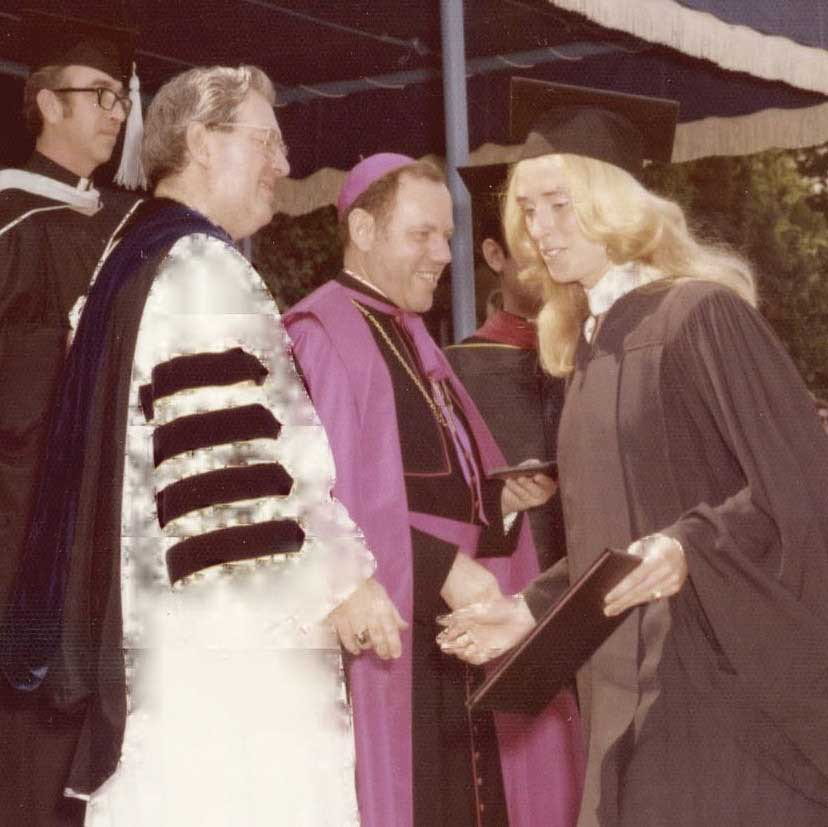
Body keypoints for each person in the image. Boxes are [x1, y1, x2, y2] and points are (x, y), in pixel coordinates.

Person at [439, 79, 828, 825]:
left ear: (613, 204)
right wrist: (528, 608)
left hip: (714, 685)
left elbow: (800, 478)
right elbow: (611, 532)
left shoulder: (698, 315)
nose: (541, 229)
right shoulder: (586, 347)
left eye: (560, 204)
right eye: (527, 209)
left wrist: (689, 546)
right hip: (622, 692)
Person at [3, 65, 377, 826]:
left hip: (164, 640)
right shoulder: (202, 268)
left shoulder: (130, 253)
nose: (284, 165)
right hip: (230, 660)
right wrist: (342, 579)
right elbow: (229, 487)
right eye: (266, 142)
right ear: (203, 143)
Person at [284, 153, 584, 827]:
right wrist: (440, 564)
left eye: (446, 235)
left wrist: (500, 510)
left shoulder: (413, 335)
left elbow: (442, 491)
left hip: (450, 630)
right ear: (362, 228)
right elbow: (321, 506)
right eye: (421, 234)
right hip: (394, 633)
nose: (442, 255)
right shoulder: (323, 333)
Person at [0, 11, 142, 827]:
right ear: (47, 104)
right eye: (98, 96)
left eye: (120, 99)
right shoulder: (14, 224)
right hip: (26, 526)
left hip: (106, 521)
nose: (116, 112)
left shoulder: (120, 227)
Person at [445, 162, 567, 570]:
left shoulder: (604, 352)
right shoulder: (453, 373)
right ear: (494, 255)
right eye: (531, 243)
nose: (552, 253)